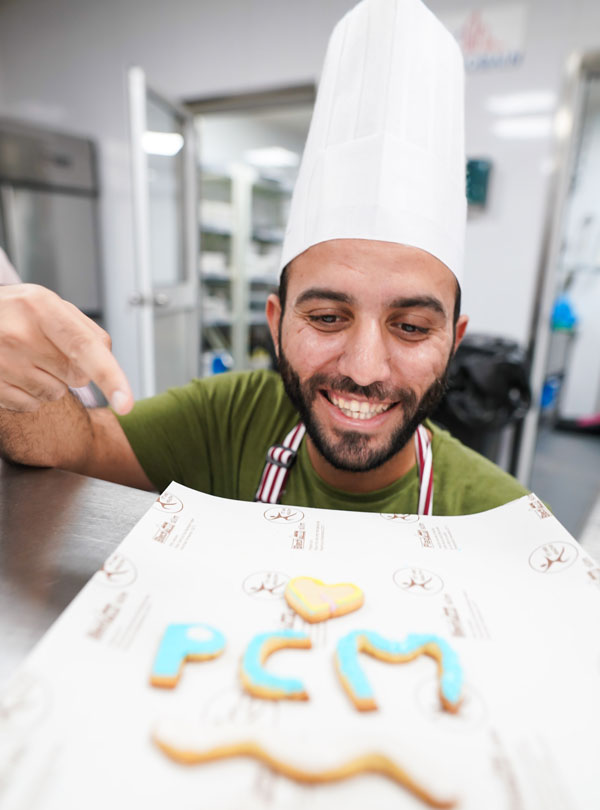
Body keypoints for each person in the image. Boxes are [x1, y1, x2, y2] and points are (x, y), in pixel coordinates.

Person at [0, 0, 527, 515]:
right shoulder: (231, 417)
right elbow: (76, 444)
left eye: (411, 327)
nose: (365, 370)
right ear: (275, 323)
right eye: (326, 317)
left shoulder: (498, 521)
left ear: (453, 342)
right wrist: (16, 385)